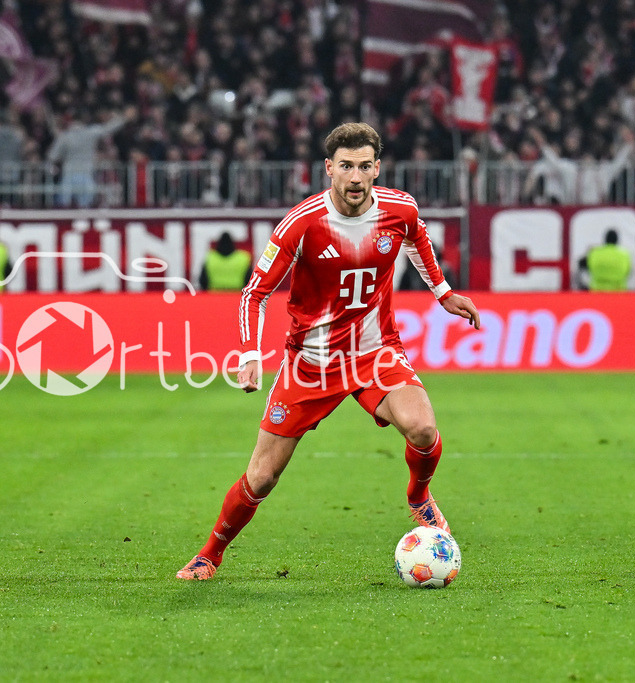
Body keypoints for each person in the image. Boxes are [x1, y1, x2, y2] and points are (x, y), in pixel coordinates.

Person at [176, 122, 481, 581]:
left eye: (363, 166)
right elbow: (253, 294)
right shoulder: (302, 224)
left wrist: (442, 291)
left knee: (423, 428)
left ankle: (419, 496)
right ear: (328, 169)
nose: (355, 177)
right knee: (262, 477)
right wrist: (249, 353)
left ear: (377, 168)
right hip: (310, 363)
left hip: (375, 352)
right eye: (345, 167)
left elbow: (418, 237)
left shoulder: (399, 209)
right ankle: (210, 554)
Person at [46, 106, 133, 207]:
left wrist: (53, 169)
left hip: (69, 175)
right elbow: (107, 129)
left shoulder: (65, 136)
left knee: (65, 208)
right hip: (86, 175)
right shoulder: (90, 132)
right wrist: (123, 119)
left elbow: (52, 156)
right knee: (85, 208)